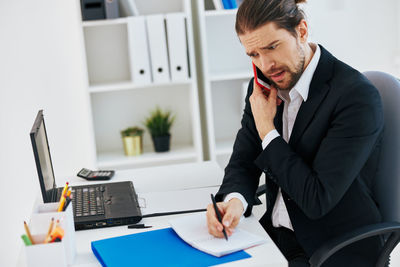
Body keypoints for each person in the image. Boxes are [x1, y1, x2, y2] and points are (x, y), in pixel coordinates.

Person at [205, 0, 384, 266]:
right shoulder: (264, 88)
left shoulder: (355, 96)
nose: (266, 65)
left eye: (272, 47)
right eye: (253, 55)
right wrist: (235, 201)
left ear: (301, 31)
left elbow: (316, 199)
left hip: (330, 248)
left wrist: (268, 130)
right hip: (277, 238)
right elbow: (243, 159)